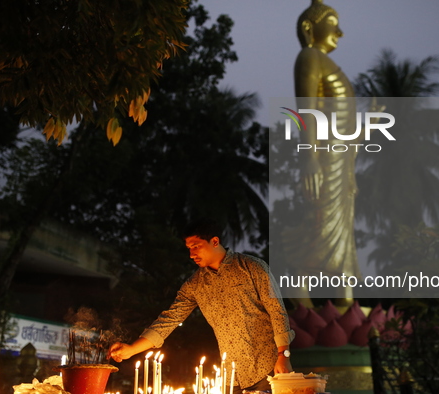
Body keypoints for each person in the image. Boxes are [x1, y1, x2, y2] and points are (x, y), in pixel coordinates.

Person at [109, 219, 294, 394]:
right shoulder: (195, 285)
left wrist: (283, 355)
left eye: (196, 246)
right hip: (232, 376)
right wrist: (132, 349)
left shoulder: (252, 267)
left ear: (214, 241)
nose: (192, 254)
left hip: (269, 368)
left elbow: (277, 311)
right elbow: (169, 319)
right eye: (189, 248)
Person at [282, 0, 361, 306]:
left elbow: (342, 123)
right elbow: (307, 109)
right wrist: (309, 156)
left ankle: (345, 302)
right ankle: (301, 297)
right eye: (332, 21)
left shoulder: (325, 62)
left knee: (340, 227)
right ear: (308, 28)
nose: (339, 32)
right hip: (323, 157)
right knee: (318, 220)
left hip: (341, 161)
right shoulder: (309, 56)